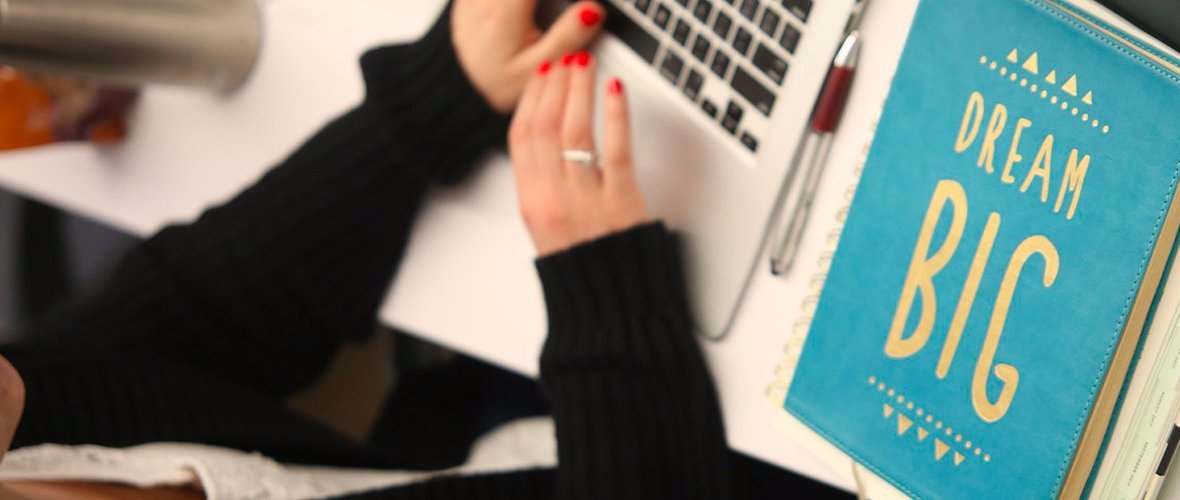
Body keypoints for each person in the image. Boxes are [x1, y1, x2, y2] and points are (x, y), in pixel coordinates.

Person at [0, 0, 843, 498]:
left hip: (500, 436)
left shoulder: (19, 420)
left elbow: (202, 313)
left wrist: (440, 96)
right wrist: (607, 301)